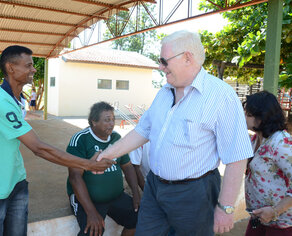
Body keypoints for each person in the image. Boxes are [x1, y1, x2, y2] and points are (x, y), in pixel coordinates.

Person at [97, 30, 254, 235]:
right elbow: (143, 131)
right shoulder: (164, 93)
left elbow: (236, 156)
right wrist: (108, 154)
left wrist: (226, 207)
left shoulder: (220, 96)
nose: (160, 67)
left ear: (187, 58)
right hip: (154, 187)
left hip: (195, 193)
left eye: (164, 61)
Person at [0, 45, 114, 236]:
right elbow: (38, 148)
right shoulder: (0, 103)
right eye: (28, 66)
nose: (33, 69)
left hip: (15, 182)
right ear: (11, 68)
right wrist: (87, 164)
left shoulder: (16, 99)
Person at [67, 101, 140, 236]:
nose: (112, 123)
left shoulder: (116, 138)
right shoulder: (81, 139)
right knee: (92, 231)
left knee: (139, 219)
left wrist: (135, 193)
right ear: (94, 122)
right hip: (88, 200)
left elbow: (127, 166)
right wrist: (91, 212)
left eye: (113, 119)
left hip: (116, 197)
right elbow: (75, 177)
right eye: (107, 120)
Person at [243, 91, 292, 235]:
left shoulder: (281, 142)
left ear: (261, 116)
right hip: (260, 218)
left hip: (281, 223)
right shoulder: (256, 139)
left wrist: (275, 211)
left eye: (248, 114)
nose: (243, 117)